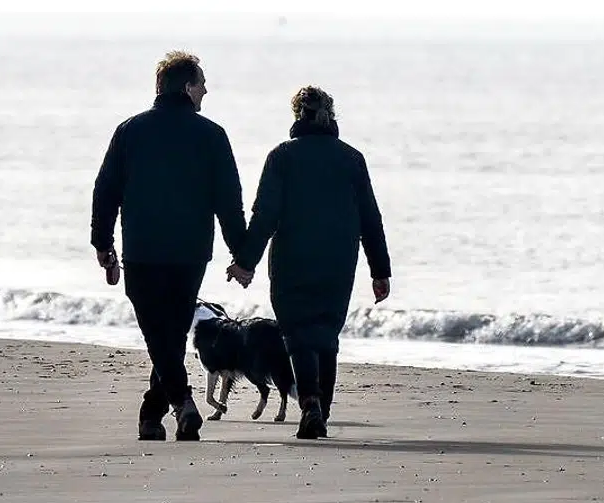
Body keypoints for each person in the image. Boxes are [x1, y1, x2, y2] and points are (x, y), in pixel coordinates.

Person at [91, 51, 247, 441]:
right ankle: (161, 410)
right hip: (189, 253)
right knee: (171, 335)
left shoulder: (130, 131)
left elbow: (105, 190)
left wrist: (102, 241)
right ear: (188, 87)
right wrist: (242, 254)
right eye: (202, 82)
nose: (207, 89)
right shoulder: (212, 135)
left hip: (142, 250)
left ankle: (172, 407)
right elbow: (228, 200)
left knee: (161, 336)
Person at [228, 86, 391, 440]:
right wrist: (380, 271)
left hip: (291, 260)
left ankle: (310, 403)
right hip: (337, 260)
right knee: (326, 335)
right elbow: (370, 219)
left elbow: (265, 215)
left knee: (299, 336)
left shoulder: (282, 157)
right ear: (331, 115)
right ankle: (322, 411)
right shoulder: (351, 159)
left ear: (296, 115)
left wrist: (245, 261)